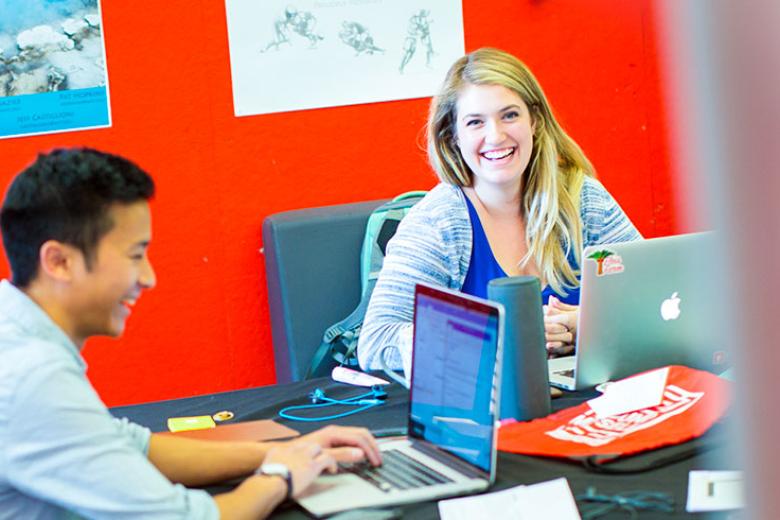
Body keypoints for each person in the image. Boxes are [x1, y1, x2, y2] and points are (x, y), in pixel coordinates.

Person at [0, 148, 381, 519]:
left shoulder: (17, 333)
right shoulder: (34, 377)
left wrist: (288, 450)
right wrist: (280, 476)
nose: (148, 278)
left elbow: (133, 447)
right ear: (59, 262)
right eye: (134, 256)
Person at [357, 48, 641, 379]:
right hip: (493, 416)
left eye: (509, 115)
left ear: (534, 121)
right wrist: (501, 337)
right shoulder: (438, 223)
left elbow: (654, 302)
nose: (496, 135)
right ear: (453, 137)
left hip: (592, 405)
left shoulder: (584, 200)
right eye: (476, 122)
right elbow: (377, 342)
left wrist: (588, 325)